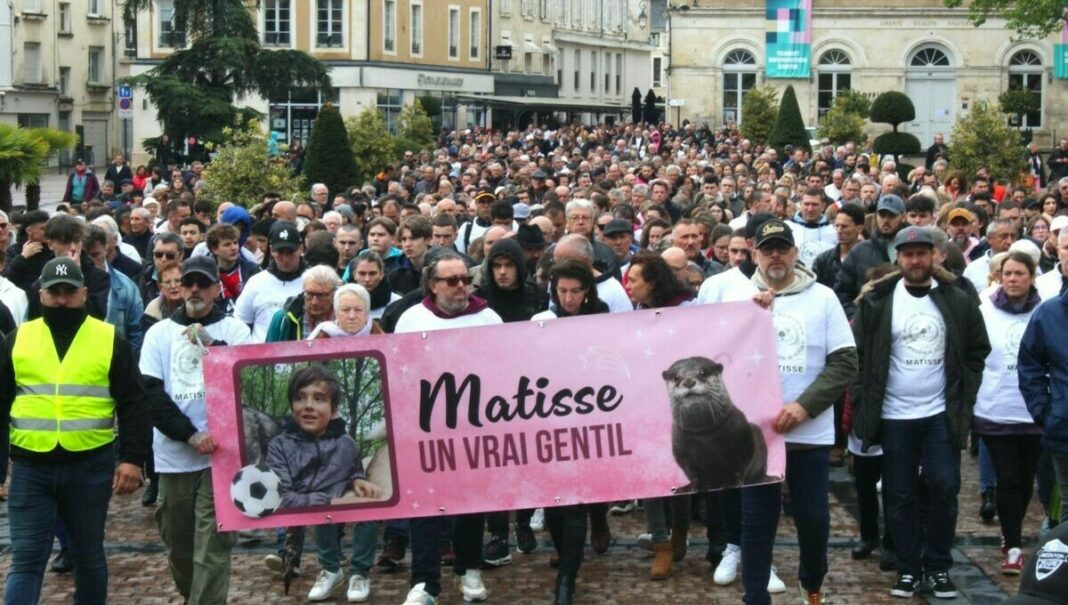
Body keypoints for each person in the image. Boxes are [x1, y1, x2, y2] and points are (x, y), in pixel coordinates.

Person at [851, 226, 990, 599]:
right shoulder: (878, 300)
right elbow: (858, 355)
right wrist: (864, 400)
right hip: (894, 413)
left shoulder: (957, 298)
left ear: (934, 256)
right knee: (899, 494)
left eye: (921, 253)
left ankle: (938, 565)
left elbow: (978, 348)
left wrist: (966, 392)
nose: (915, 260)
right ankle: (909, 567)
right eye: (908, 253)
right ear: (898, 258)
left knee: (945, 487)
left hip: (940, 413)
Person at [0, 256, 148, 603]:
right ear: (41, 295)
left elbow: (134, 402)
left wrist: (132, 459)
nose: (62, 299)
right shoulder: (18, 340)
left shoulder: (108, 338)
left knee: (88, 556)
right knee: (26, 561)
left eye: (69, 292)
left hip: (89, 466)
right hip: (30, 467)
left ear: (84, 293)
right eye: (55, 292)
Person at [140, 256, 254, 604]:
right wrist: (188, 434)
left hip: (222, 458)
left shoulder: (235, 331)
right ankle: (195, 596)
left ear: (216, 288)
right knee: (179, 547)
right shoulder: (158, 333)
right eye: (187, 282)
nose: (193, 289)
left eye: (201, 283)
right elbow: (150, 394)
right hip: (174, 456)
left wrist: (213, 348)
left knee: (212, 548)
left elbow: (246, 381)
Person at [395, 249, 502, 605]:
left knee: (472, 501)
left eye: (466, 280)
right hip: (425, 427)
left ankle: (469, 567)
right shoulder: (411, 320)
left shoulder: (489, 319)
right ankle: (425, 582)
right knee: (425, 505)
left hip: (474, 425)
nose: (461, 287)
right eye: (452, 280)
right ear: (432, 284)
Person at [265, 365, 383, 602]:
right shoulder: (279, 445)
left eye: (319, 399)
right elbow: (283, 496)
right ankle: (331, 569)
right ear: (292, 406)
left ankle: (359, 573)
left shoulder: (346, 443)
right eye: (300, 398)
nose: (308, 405)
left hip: (341, 497)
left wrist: (357, 479)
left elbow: (354, 468)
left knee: (371, 507)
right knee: (323, 511)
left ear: (334, 410)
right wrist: (328, 500)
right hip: (315, 504)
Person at [975, 250, 1043, 575]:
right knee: (1008, 477)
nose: (1013, 279)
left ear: (1031, 277)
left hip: (1033, 409)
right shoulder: (985, 308)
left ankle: (1010, 529)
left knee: (1025, 478)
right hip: (995, 406)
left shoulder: (1044, 311)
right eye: (1008, 273)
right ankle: (1014, 545)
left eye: (1019, 273)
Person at [233, 221, 306, 341]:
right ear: (271, 250)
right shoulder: (256, 283)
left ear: (301, 249)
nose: (285, 258)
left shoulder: (313, 281)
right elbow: (240, 324)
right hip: (261, 356)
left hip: (302, 355)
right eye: (280, 252)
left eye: (290, 252)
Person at [265, 265, 340, 342]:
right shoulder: (283, 319)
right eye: (309, 294)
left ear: (334, 293)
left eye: (321, 295)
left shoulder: (345, 318)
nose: (314, 302)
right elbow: (269, 352)